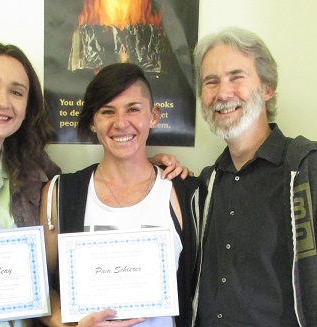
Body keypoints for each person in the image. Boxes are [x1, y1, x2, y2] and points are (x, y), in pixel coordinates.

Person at [0, 43, 188, 327]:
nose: (3, 102)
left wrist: (147, 162)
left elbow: (47, 278)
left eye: (16, 92)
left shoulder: (36, 173)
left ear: (27, 106)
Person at [39, 63, 204, 327]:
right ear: (93, 121)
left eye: (133, 109)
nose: (120, 123)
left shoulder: (186, 194)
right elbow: (40, 288)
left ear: (154, 115)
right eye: (107, 111)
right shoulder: (60, 194)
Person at [192, 26, 317, 326]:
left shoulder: (312, 170)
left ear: (267, 88)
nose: (223, 93)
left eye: (236, 77)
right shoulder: (206, 185)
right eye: (211, 82)